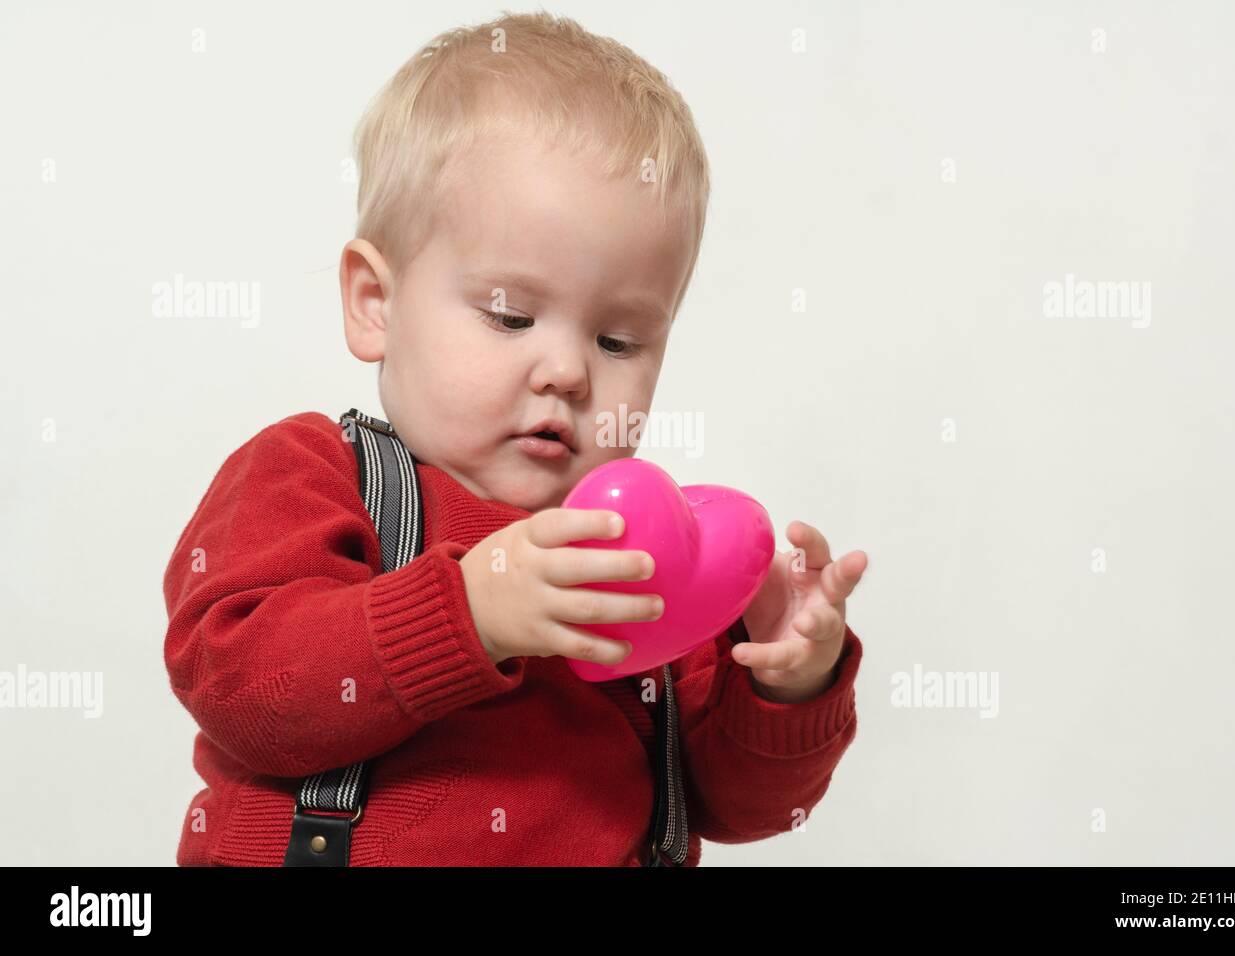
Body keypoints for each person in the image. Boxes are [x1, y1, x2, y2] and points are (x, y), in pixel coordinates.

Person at [163, 10, 868, 866]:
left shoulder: (645, 556)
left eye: (619, 341)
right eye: (511, 315)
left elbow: (731, 805)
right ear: (374, 303)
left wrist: (786, 683)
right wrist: (472, 612)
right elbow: (242, 690)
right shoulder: (314, 475)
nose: (567, 371)